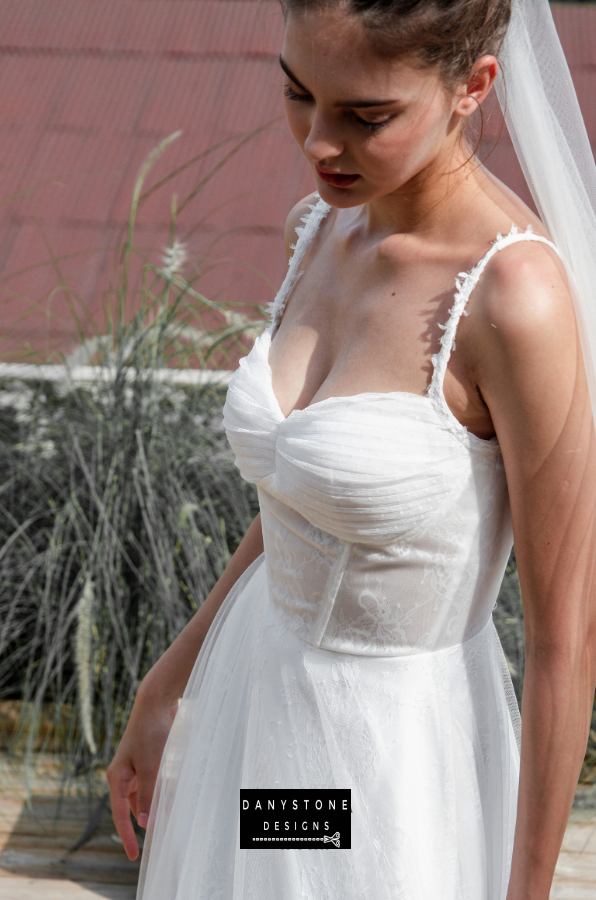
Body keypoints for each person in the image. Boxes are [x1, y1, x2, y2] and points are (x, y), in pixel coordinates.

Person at [107, 0, 596, 897]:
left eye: (366, 117)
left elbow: (569, 637)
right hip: (256, 726)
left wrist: (527, 891)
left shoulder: (515, 298)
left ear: (472, 86)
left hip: (388, 761)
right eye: (299, 94)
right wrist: (168, 681)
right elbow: (301, 502)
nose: (319, 144)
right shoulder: (324, 226)